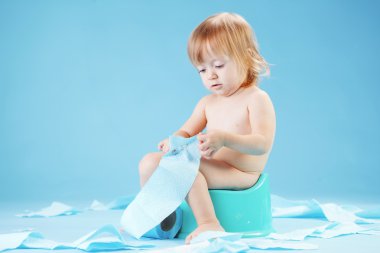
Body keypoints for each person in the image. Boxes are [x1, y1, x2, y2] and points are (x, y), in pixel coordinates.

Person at [138, 12, 276, 244]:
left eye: (218, 65)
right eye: (202, 70)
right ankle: (160, 216)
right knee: (149, 162)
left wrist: (224, 139)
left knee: (185, 169)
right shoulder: (207, 103)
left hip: (241, 174)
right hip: (212, 167)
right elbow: (185, 132)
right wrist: (173, 140)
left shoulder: (256, 99)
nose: (210, 75)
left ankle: (209, 223)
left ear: (246, 57)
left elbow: (261, 144)